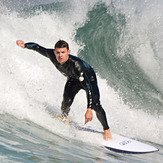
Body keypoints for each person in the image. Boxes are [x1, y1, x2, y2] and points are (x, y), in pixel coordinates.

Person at [16, 40, 112, 140]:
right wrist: (25, 45)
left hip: (88, 79)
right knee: (66, 102)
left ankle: (106, 130)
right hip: (73, 79)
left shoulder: (76, 65)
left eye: (63, 52)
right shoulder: (51, 55)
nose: (60, 55)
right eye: (58, 52)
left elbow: (88, 87)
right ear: (54, 52)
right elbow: (38, 47)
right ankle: (64, 118)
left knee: (96, 105)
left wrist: (89, 109)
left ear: (68, 52)